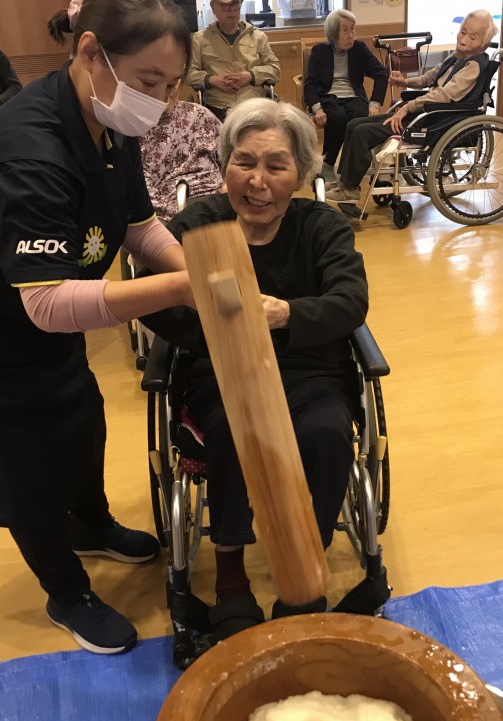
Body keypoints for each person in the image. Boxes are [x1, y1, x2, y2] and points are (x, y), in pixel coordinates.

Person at [0, 0, 194, 656]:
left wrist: (196, 268)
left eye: (172, 85)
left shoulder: (108, 119)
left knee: (79, 411)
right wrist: (183, 288)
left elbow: (138, 225)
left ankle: (90, 523)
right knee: (23, 458)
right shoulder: (28, 154)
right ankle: (67, 591)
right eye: (149, 82)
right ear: (90, 53)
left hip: (40, 301)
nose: (160, 102)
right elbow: (48, 305)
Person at [144, 98, 368, 641]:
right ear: (225, 165)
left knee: (325, 433)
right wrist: (217, 326)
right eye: (243, 162)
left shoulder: (321, 226)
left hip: (308, 370)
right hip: (222, 372)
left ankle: (304, 566)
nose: (257, 181)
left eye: (276, 165)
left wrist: (285, 313)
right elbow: (152, 300)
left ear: (302, 172)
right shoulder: (198, 224)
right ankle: (231, 577)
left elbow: (350, 301)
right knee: (232, 432)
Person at [325, 9, 498, 204]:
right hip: (425, 113)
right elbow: (429, 78)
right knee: (354, 124)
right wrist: (404, 82)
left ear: (484, 44)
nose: (463, 40)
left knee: (362, 133)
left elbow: (443, 95)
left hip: (436, 121)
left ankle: (350, 190)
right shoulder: (456, 57)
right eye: (462, 32)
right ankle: (344, 182)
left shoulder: (473, 67)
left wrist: (407, 108)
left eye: (472, 37)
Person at [303, 9, 388, 184]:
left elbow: (381, 73)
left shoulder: (359, 48)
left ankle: (348, 169)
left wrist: (375, 103)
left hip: (354, 96)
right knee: (338, 117)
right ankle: (328, 164)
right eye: (345, 30)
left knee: (359, 119)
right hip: (329, 96)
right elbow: (309, 84)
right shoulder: (319, 51)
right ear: (333, 33)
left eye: (352, 29)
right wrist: (317, 108)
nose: (350, 35)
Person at [138, 82, 224, 223]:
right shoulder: (134, 127)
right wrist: (182, 217)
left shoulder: (200, 114)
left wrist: (229, 185)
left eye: (172, 84)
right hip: (173, 210)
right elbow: (142, 192)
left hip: (218, 198)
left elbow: (231, 155)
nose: (166, 92)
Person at [185, 0, 280, 122]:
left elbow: (274, 68)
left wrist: (250, 75)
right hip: (217, 108)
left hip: (254, 105)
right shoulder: (200, 39)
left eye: (235, 4)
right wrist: (211, 80)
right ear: (213, 7)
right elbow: (188, 72)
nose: (230, 10)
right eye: (224, 5)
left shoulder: (257, 37)